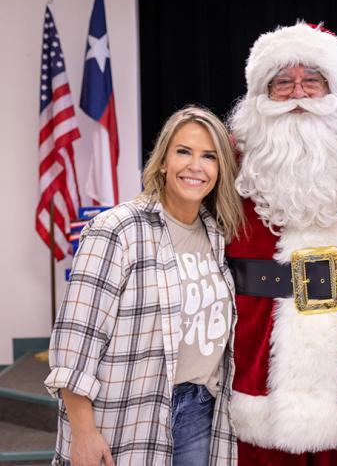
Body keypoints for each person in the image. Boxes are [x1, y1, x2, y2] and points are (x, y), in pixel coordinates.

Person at [226, 22, 337, 465]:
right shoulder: (229, 163)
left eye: (312, 80)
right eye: (282, 82)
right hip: (259, 340)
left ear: (334, 89)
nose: (298, 92)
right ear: (260, 93)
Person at [45, 106, 244, 466]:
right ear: (164, 161)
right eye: (184, 151)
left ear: (220, 169)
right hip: (128, 414)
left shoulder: (217, 235)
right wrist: (84, 432)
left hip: (202, 412)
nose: (195, 166)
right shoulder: (117, 230)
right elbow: (75, 342)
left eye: (209, 156)